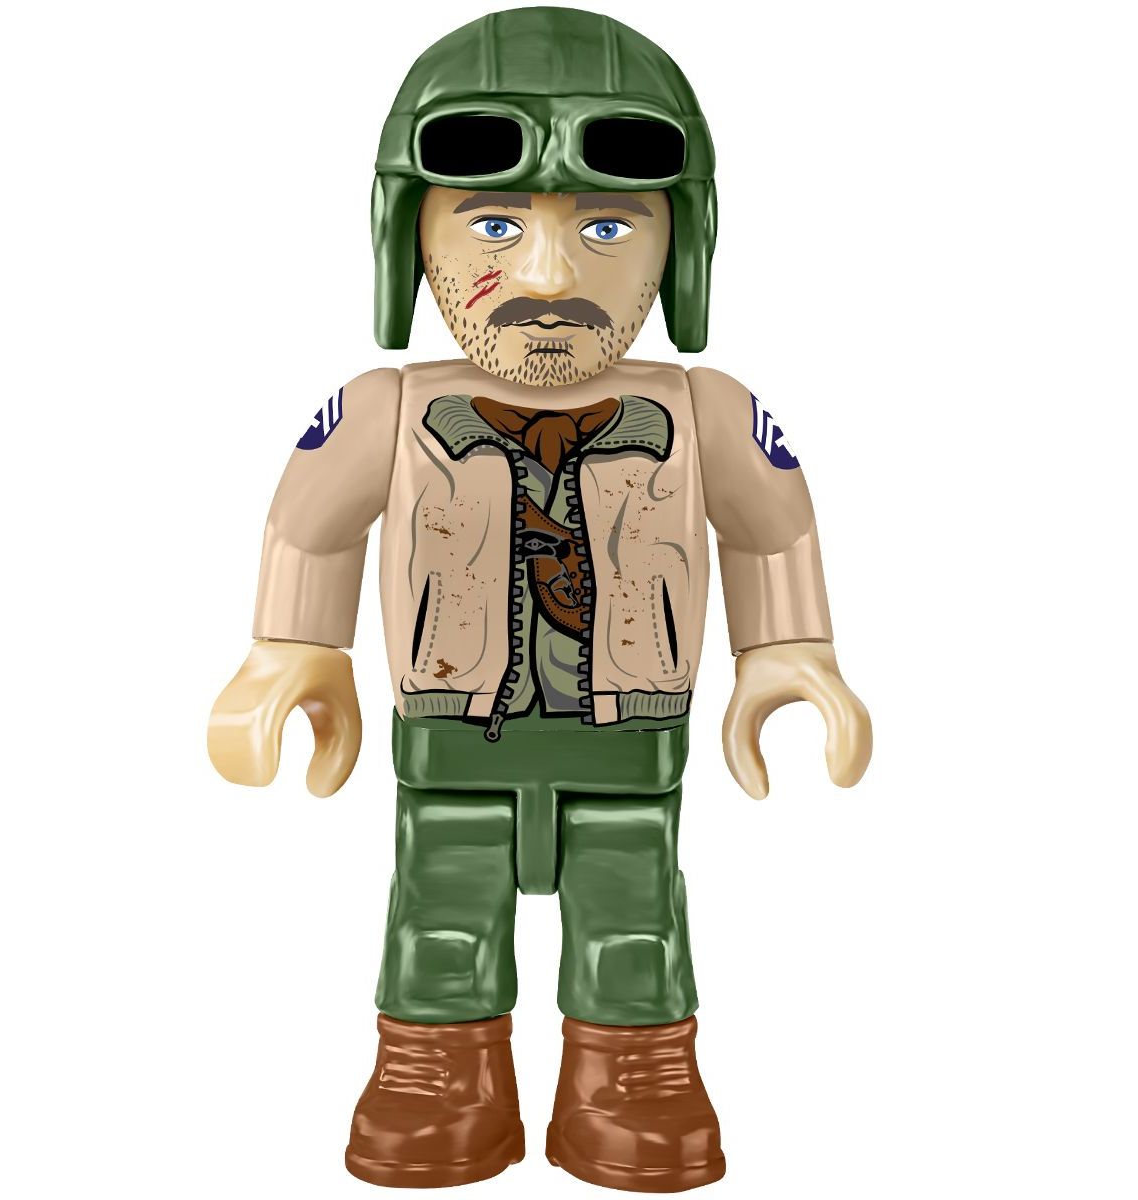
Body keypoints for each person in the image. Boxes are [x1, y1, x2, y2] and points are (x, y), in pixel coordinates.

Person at [208, 8, 871, 1192]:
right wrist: (293, 653)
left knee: (634, 919)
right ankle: (435, 1075)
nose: (550, 278)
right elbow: (310, 528)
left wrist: (789, 653)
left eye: (607, 226)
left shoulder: (708, 413)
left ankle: (635, 1076)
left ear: (683, 243)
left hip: (629, 741)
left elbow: (775, 528)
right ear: (408, 234)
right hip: (451, 737)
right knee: (439, 910)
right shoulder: (383, 413)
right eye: (495, 224)